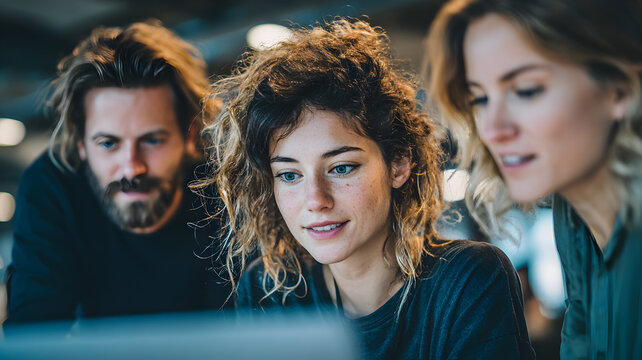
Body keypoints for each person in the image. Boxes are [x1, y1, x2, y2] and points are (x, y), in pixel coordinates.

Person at [197, 19, 534, 359]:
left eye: (341, 168)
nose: (316, 200)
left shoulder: (466, 280)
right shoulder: (270, 291)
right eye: (288, 175)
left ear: (398, 164)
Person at [426, 0, 642, 358]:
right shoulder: (572, 218)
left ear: (620, 90)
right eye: (479, 99)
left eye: (526, 90)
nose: (493, 129)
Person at [6, 21, 230, 325]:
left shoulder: (224, 184)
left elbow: (250, 325)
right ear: (80, 145)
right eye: (109, 143)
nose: (132, 167)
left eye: (152, 140)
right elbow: (35, 330)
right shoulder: (51, 186)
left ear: (189, 136)